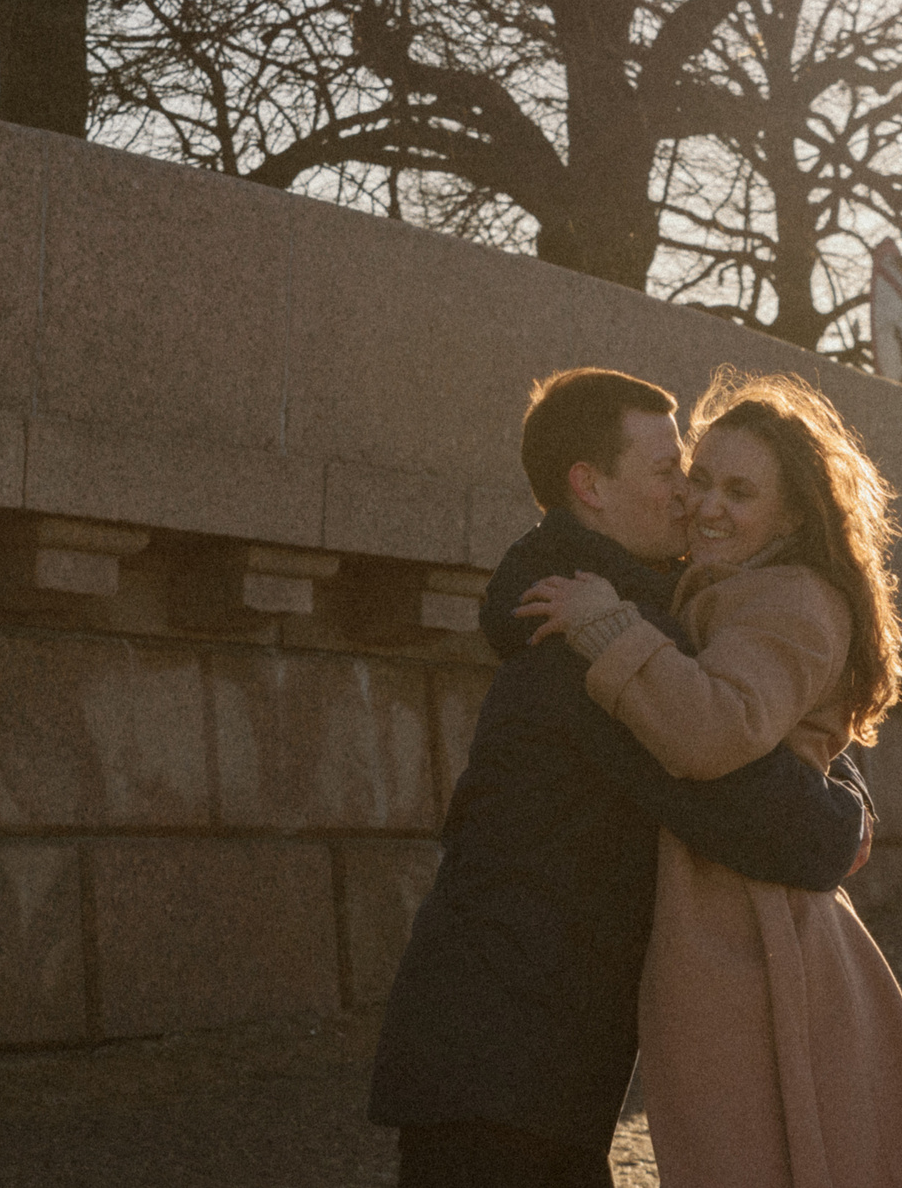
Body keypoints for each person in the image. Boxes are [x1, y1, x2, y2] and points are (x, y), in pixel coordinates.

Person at [370, 368, 874, 1188]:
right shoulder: (579, 634)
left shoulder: (628, 613)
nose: (689, 497)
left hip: (527, 1060)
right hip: (500, 1064)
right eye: (672, 471)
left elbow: (736, 717)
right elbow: (741, 802)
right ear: (591, 486)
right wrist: (841, 821)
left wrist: (840, 776)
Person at [519, 369, 902, 1188]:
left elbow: (715, 729)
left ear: (792, 515)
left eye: (740, 491)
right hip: (738, 912)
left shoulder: (791, 597)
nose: (707, 505)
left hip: (753, 931)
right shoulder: (736, 585)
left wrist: (607, 628)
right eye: (698, 479)